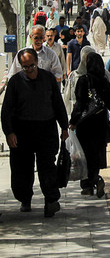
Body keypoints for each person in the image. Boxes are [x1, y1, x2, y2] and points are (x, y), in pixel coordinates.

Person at [1, 48, 68, 217]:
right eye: (24, 67)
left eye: (31, 66)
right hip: (22, 131)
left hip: (46, 129)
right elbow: (6, 110)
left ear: (37, 63)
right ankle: (25, 198)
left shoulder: (48, 79)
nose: (29, 69)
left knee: (47, 166)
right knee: (22, 168)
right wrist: (9, 132)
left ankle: (51, 200)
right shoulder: (15, 83)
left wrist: (64, 127)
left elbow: (58, 104)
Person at [68, 53, 110, 197]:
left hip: (85, 124)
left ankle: (88, 185)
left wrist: (72, 122)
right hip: (101, 122)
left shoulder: (83, 80)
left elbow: (79, 104)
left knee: (84, 155)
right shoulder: (104, 81)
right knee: (96, 154)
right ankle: (95, 179)